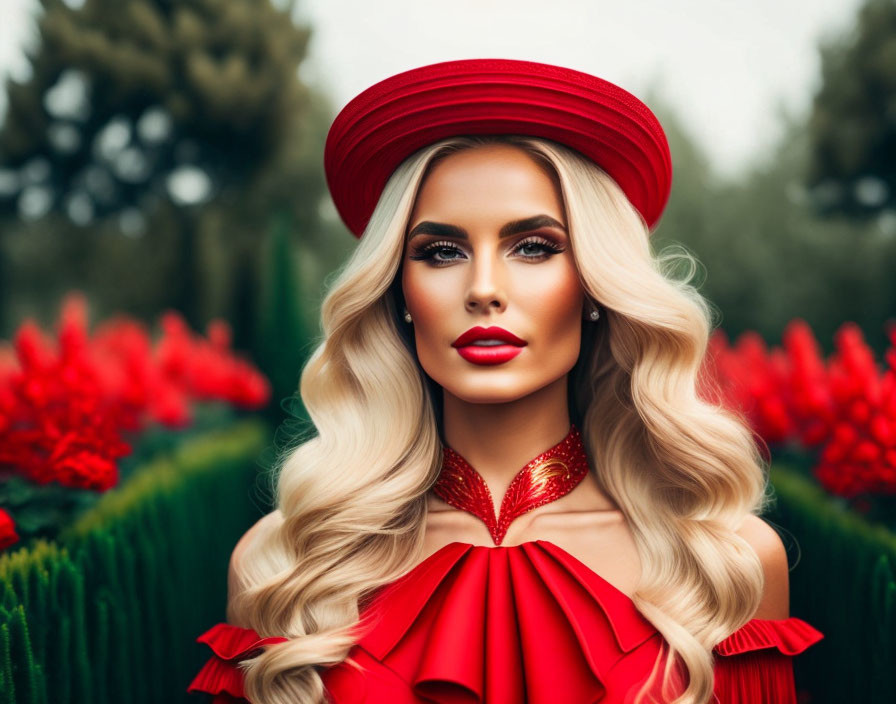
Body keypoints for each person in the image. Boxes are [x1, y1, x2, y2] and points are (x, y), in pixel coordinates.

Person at [187, 58, 824, 704]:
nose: (484, 289)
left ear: (596, 286)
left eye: (534, 247)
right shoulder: (283, 566)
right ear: (399, 291)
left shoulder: (726, 562)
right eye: (441, 252)